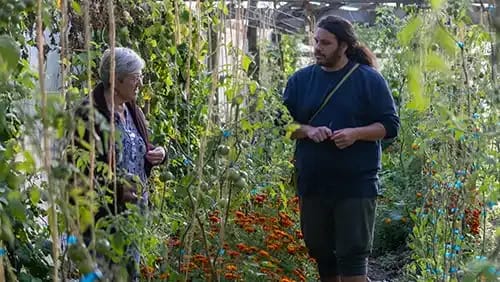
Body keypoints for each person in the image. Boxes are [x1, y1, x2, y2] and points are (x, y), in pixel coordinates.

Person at [283, 16, 400, 282]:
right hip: (313, 184)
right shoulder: (300, 81)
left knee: (353, 259)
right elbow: (281, 126)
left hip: (355, 185)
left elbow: (390, 126)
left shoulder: (369, 80)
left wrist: (355, 134)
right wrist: (308, 131)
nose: (317, 48)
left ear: (344, 46)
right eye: (316, 41)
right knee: (322, 255)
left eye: (325, 43)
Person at [72, 47, 167, 281]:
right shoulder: (88, 114)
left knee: (128, 273)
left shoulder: (132, 110)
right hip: (104, 218)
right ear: (116, 79)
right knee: (104, 273)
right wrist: (115, 190)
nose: (140, 84)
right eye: (136, 78)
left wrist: (159, 154)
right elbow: (78, 168)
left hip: (133, 215)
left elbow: (138, 147)